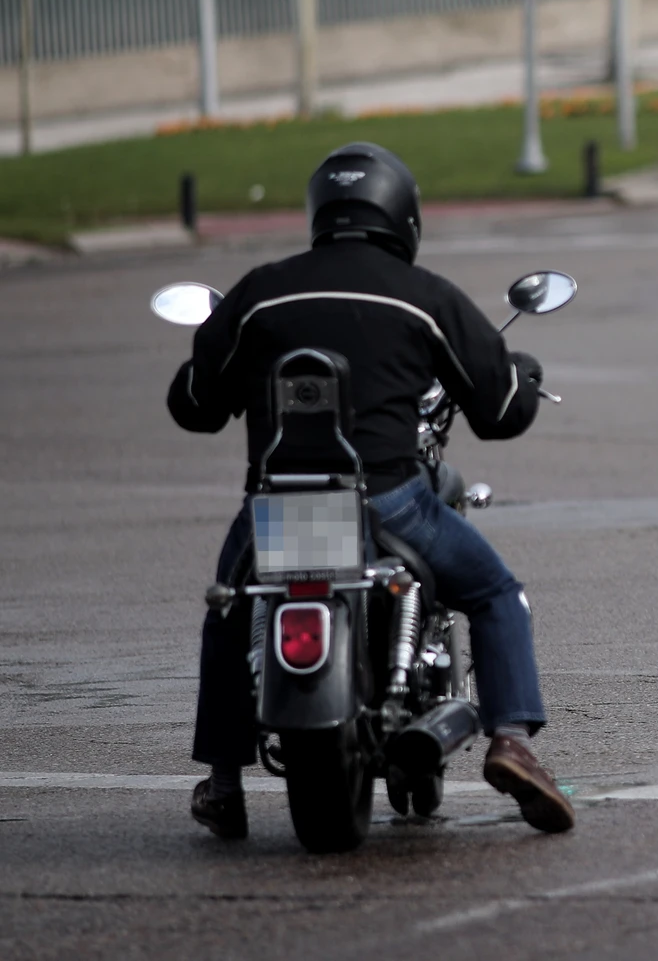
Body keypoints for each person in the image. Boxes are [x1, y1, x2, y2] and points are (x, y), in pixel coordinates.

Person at [167, 142, 575, 837]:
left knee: (233, 610)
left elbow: (195, 405)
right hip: (391, 501)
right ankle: (512, 740)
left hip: (281, 505)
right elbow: (500, 411)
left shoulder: (262, 289)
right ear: (403, 216)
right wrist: (524, 377)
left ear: (319, 213)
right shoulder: (426, 296)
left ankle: (225, 780)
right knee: (494, 590)